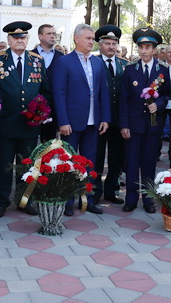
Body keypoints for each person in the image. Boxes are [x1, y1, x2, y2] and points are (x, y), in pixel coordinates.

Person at [0, 22, 50, 218]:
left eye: (23, 37)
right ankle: (1, 201)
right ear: (9, 40)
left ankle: (25, 200)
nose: (19, 40)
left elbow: (45, 91)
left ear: (28, 39)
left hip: (29, 125)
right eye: (15, 37)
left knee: (27, 165)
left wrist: (41, 112)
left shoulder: (37, 61)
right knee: (3, 166)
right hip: (4, 125)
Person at [52, 24, 111, 216]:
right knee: (68, 162)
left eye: (92, 38)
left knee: (89, 163)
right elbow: (59, 94)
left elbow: (103, 92)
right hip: (71, 122)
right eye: (88, 38)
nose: (91, 41)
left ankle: (88, 200)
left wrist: (105, 118)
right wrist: (63, 121)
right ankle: (68, 201)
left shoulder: (97, 63)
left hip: (94, 122)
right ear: (76, 39)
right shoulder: (64, 62)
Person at [120, 28, 171, 213]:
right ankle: (131, 199)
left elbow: (166, 95)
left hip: (152, 125)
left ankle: (149, 199)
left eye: (147, 47)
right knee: (132, 163)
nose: (143, 51)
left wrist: (158, 104)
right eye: (141, 47)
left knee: (149, 163)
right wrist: (124, 125)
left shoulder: (162, 70)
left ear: (154, 50)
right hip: (133, 125)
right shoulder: (130, 70)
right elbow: (124, 99)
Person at [94, 25, 127, 204]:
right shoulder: (94, 62)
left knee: (116, 157)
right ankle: (95, 190)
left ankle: (112, 190)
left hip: (118, 119)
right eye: (107, 43)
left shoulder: (124, 64)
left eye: (114, 44)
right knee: (97, 157)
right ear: (100, 45)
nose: (111, 47)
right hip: (99, 119)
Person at [33, 24, 63, 142]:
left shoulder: (61, 57)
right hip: (34, 107)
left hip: (54, 107)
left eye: (53, 34)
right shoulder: (30, 55)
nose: (52, 36)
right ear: (40, 36)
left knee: (51, 143)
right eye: (49, 34)